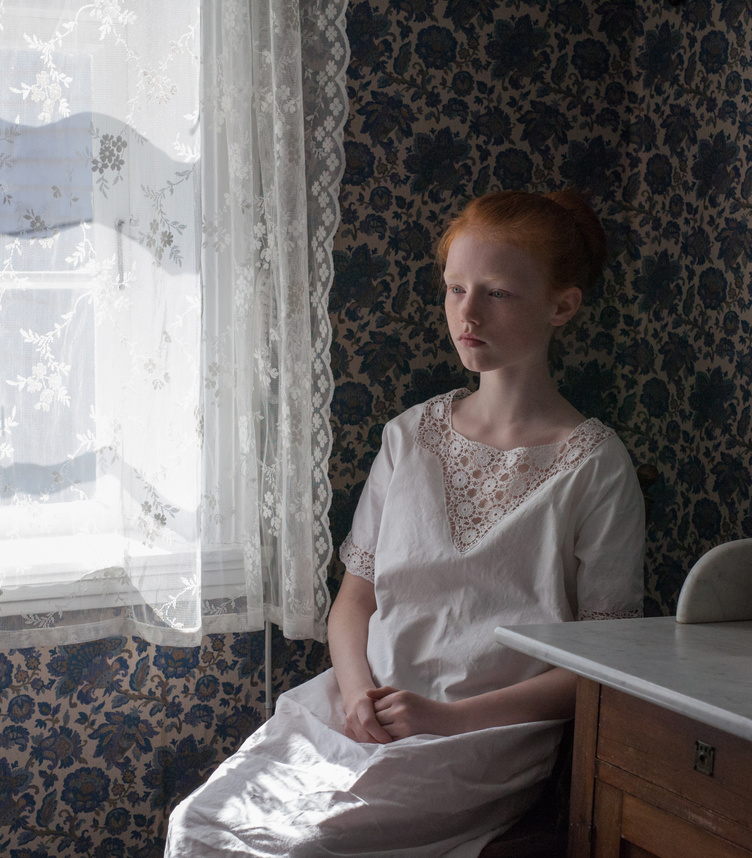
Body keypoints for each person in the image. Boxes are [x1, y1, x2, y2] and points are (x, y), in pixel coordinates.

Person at [164, 189, 645, 857]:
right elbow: (354, 601)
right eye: (455, 288)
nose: (467, 313)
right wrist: (358, 694)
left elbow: (601, 668)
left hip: (480, 741)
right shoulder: (409, 436)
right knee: (201, 825)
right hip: (356, 711)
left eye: (497, 293)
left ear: (560, 306)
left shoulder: (595, 465)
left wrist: (446, 718)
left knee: (298, 849)